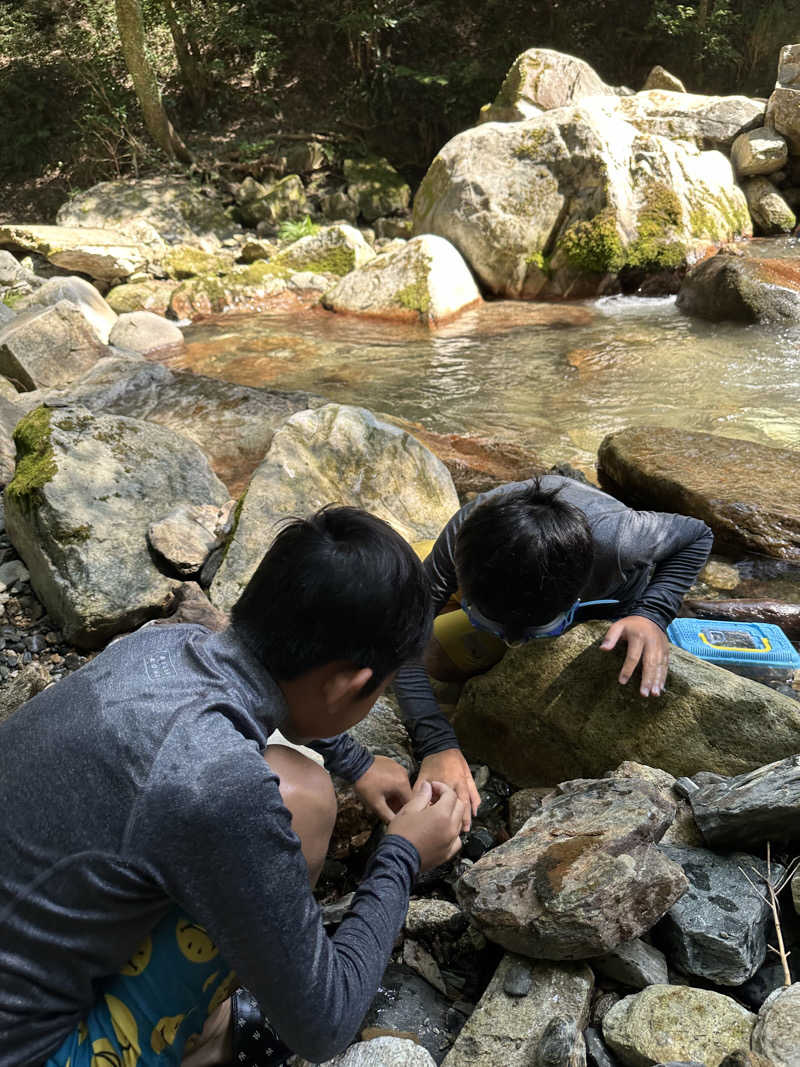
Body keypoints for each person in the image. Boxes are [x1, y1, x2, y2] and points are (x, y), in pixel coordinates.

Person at [0, 506, 465, 1067]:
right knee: (300, 805)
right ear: (353, 684)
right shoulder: (218, 785)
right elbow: (324, 1028)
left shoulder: (158, 646)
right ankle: (208, 1044)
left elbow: (274, 690)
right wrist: (403, 856)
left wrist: (357, 763)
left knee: (299, 788)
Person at [397, 475, 714, 830]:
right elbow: (402, 640)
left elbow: (698, 534)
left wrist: (651, 613)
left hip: (610, 592)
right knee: (429, 651)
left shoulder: (624, 541)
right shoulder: (465, 536)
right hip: (509, 570)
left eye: (539, 633)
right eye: (491, 625)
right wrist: (437, 743)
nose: (515, 645)